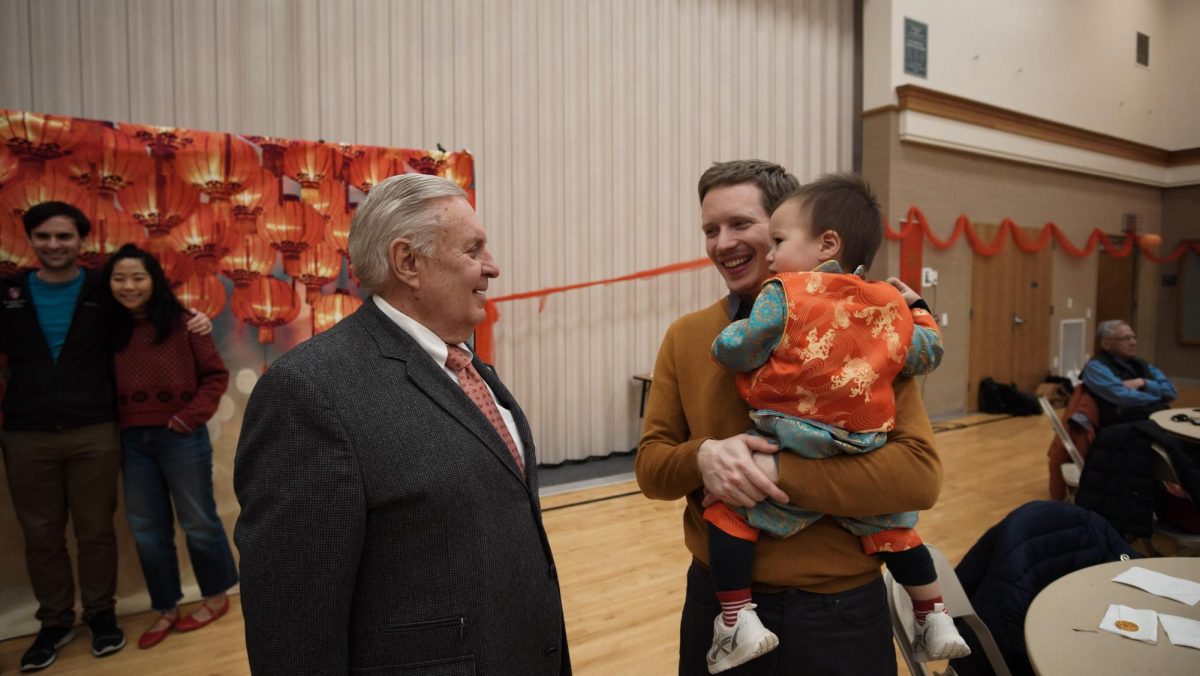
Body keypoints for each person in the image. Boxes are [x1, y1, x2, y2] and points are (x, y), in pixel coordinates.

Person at [233, 173, 570, 675]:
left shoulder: (463, 364)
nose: (492, 267)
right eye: (473, 249)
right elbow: (295, 627)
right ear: (408, 263)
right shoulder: (308, 393)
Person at [636, 160, 943, 676]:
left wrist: (775, 475)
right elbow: (651, 468)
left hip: (841, 613)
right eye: (710, 230)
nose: (722, 243)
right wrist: (705, 458)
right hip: (721, 609)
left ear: (789, 231)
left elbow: (918, 478)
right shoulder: (688, 336)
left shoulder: (866, 327)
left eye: (741, 225)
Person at [0, 201, 210, 672]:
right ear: (30, 241)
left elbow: (156, 308)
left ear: (80, 241)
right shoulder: (8, 291)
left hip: (94, 429)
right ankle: (54, 622)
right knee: (42, 535)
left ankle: (100, 616)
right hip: (26, 433)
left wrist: (196, 319)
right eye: (44, 237)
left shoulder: (105, 287)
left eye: (64, 237)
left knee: (96, 531)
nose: (54, 245)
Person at [102, 244, 238, 650]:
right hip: (131, 439)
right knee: (147, 530)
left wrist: (185, 419)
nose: (129, 286)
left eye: (138, 277)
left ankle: (215, 598)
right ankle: (165, 607)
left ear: (154, 280)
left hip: (180, 437)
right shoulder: (106, 329)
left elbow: (215, 376)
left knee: (198, 521)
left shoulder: (184, 324)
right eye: (119, 278)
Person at [1081, 319, 1176, 426]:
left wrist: (1144, 383)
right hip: (1121, 425)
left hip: (1150, 417)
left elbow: (1171, 392)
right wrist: (1157, 398)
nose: (1133, 343)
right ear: (1106, 343)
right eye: (1126, 338)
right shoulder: (1096, 367)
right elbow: (1122, 398)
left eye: (1134, 338)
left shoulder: (1141, 364)